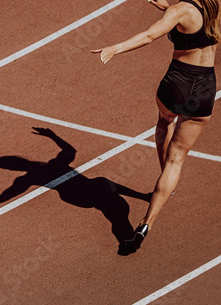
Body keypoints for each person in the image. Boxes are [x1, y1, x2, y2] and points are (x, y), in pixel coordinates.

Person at [92, 0, 219, 250]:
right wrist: (166, 8)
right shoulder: (214, 6)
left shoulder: (180, 11)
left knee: (164, 124)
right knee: (177, 160)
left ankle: (163, 177)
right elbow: (195, 24)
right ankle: (146, 222)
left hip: (177, 83)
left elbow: (150, 35)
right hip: (204, 88)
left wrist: (115, 48)